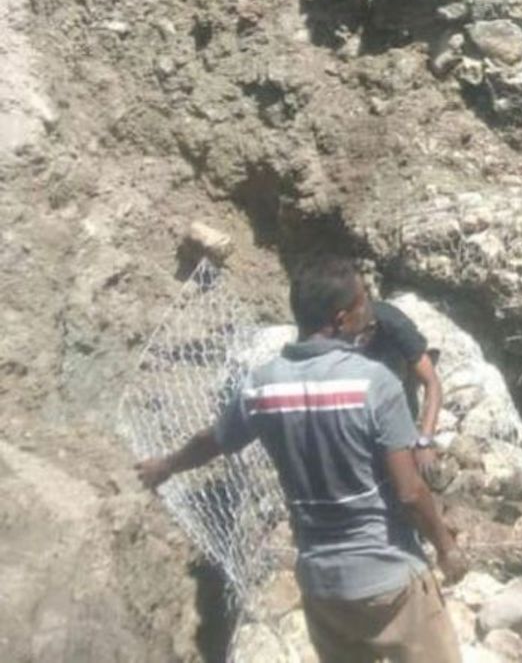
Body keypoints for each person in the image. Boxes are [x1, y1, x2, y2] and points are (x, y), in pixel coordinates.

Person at [135, 256, 465, 663]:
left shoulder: (262, 386)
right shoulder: (375, 384)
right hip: (389, 579)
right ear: (342, 319)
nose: (371, 311)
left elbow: (213, 440)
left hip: (321, 587)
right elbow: (411, 493)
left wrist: (166, 466)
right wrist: (446, 548)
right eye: (364, 302)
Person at [362, 300, 446, 488]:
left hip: (397, 383)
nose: (360, 339)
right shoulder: (337, 329)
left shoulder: (394, 324)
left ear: (372, 326)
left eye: (365, 334)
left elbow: (432, 382)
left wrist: (424, 441)